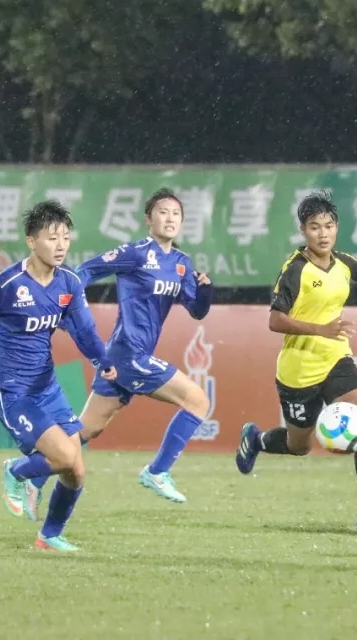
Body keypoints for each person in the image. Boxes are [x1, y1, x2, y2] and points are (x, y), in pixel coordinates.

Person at [0, 200, 115, 553]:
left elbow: (84, 329)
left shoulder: (69, 282)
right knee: (62, 457)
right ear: (31, 241)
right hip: (14, 394)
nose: (60, 245)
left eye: (65, 237)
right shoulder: (8, 285)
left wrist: (101, 358)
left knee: (76, 470)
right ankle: (15, 471)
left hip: (48, 388)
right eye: (51, 238)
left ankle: (49, 536)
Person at [235, 191, 357, 532]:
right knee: (300, 446)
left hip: (336, 358)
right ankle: (257, 439)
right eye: (314, 227)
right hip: (298, 370)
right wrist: (320, 329)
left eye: (328, 226)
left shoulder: (344, 263)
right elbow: (275, 320)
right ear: (303, 231)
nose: (323, 234)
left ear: (336, 227)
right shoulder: (295, 270)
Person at [56, 188, 215, 504]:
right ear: (148, 220)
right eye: (163, 212)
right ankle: (158, 472)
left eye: (176, 214)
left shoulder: (181, 263)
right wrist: (65, 302)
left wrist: (207, 291)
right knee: (197, 400)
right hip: (130, 353)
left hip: (123, 355)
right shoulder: (136, 252)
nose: (170, 218)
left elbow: (197, 311)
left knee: (86, 430)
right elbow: (87, 270)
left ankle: (24, 472)